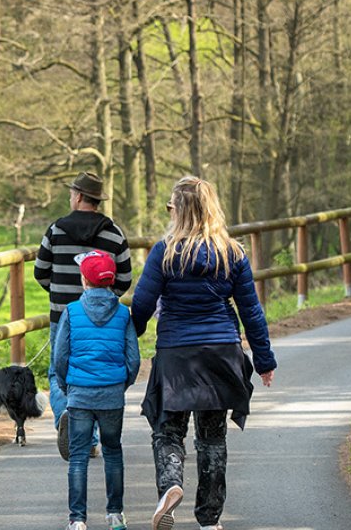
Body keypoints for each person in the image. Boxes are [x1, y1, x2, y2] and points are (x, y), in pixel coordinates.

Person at [131, 176, 276, 530]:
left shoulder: (164, 251)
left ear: (177, 211)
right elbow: (251, 311)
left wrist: (126, 340)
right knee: (212, 438)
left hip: (176, 354)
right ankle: (209, 520)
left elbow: (143, 304)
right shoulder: (232, 252)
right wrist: (264, 360)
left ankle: (171, 485)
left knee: (168, 432)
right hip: (221, 353)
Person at [35, 171, 132, 460]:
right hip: (103, 321)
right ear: (96, 200)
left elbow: (40, 273)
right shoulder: (114, 233)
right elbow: (124, 279)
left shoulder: (55, 230)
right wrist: (103, 300)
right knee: (96, 369)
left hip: (62, 314)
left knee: (58, 370)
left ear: (78, 196)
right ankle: (88, 438)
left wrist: (59, 295)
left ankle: (68, 414)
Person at [53, 250, 139, 530]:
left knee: (78, 456)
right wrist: (122, 383)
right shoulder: (124, 314)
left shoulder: (72, 311)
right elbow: (133, 358)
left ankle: (77, 520)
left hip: (80, 392)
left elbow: (60, 357)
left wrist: (67, 385)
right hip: (112, 394)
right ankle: (115, 514)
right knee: (113, 451)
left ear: (84, 281)